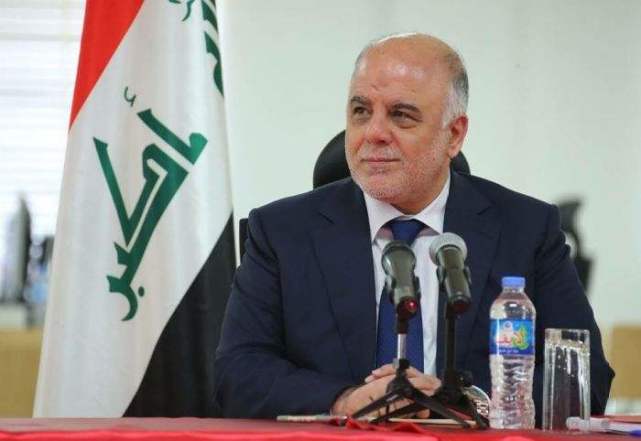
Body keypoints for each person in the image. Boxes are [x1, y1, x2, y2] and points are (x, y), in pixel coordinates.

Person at [213, 33, 613, 420]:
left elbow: (584, 378)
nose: (374, 133)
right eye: (361, 111)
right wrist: (345, 400)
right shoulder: (282, 232)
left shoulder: (525, 229)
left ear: (454, 135)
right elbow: (237, 372)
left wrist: (460, 401)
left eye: (401, 115)